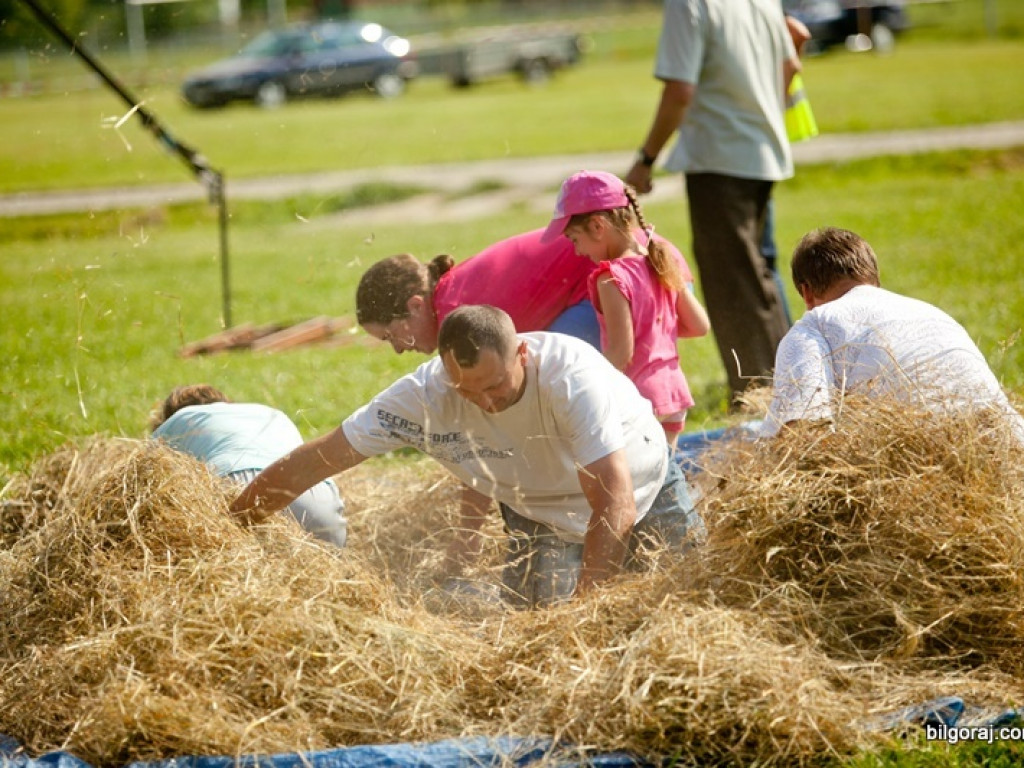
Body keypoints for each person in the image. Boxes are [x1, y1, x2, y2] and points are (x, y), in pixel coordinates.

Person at [229, 305, 704, 609]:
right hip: (540, 513)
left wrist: (587, 614)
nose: (486, 403)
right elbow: (322, 458)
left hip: (641, 486)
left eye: (496, 385)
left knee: (695, 599)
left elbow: (613, 499)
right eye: (467, 391)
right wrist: (230, 524)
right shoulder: (424, 396)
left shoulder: (569, 376)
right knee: (534, 639)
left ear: (522, 353)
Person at [625, 0, 800, 405]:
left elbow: (680, 90)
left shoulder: (690, 5)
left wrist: (647, 159)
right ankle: (793, 381)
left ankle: (762, 396)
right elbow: (790, 67)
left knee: (733, 283)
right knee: (761, 274)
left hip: (719, 157)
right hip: (763, 149)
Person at [760, 227, 1024, 440]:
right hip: (1008, 456)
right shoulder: (932, 313)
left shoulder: (813, 326)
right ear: (873, 277)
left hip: (919, 473)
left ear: (806, 292)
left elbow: (798, 435)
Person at [540, 170, 710, 444]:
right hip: (673, 394)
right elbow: (699, 326)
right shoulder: (660, 260)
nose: (577, 251)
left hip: (639, 401)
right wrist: (655, 333)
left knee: (634, 481)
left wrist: (586, 389)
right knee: (665, 476)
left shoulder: (610, 278)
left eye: (574, 239)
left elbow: (620, 353)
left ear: (597, 226)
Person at [355, 226, 692, 356]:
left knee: (549, 367)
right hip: (657, 263)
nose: (398, 350)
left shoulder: (456, 319)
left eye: (390, 337)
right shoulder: (451, 292)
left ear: (415, 306)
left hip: (638, 277)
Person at [151, 384, 348, 547]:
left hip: (239, 486)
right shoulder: (271, 413)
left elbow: (145, 480)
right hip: (316, 495)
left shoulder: (178, 420)